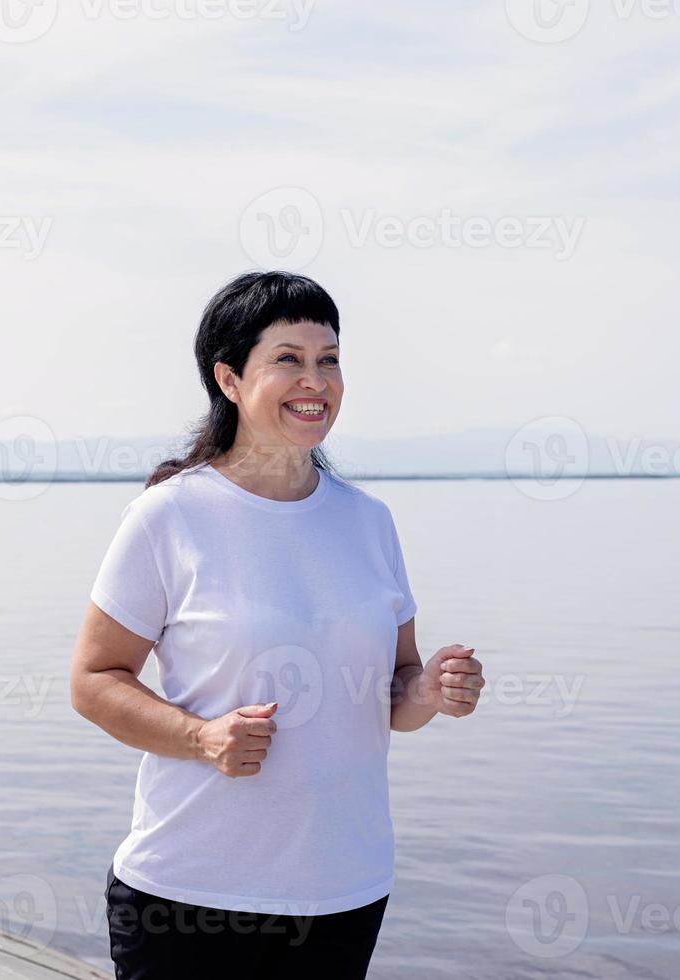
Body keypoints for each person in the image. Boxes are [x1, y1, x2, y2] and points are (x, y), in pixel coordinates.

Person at [69, 270, 484, 979]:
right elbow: (93, 681)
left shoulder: (366, 520)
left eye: (328, 360)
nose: (315, 380)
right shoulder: (171, 515)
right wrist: (200, 737)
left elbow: (391, 695)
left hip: (343, 889)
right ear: (228, 379)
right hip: (189, 893)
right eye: (287, 359)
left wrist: (435, 692)